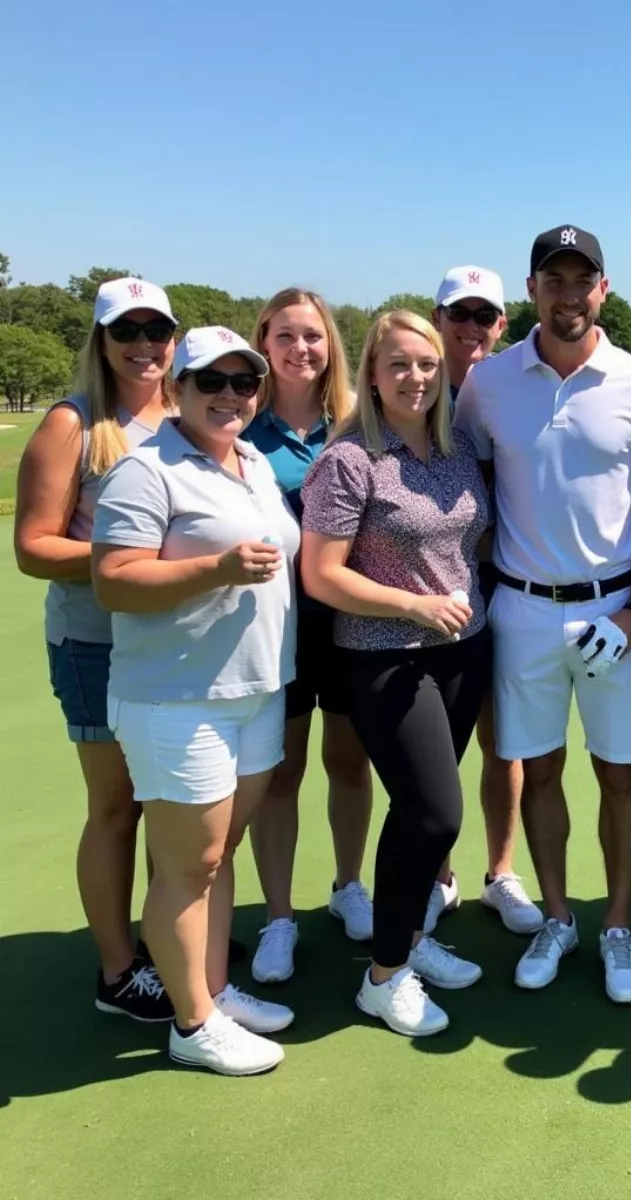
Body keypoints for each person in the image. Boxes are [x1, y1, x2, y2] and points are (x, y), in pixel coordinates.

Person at [454, 224, 631, 1004]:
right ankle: (557, 915)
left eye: (582, 280)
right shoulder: (488, 384)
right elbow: (466, 493)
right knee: (537, 771)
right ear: (532, 290)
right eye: (554, 279)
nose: (568, 293)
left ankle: (616, 923)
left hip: (612, 609)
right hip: (519, 609)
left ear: (603, 291)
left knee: (619, 774)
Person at [92, 326, 299, 1076]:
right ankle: (193, 1024)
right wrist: (215, 568)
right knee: (189, 864)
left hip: (254, 688)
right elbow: (114, 579)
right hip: (179, 698)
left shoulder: (252, 463)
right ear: (176, 387)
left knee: (218, 855)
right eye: (211, 382)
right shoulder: (146, 471)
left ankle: (211, 988)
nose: (229, 396)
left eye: (244, 383)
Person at [301, 310, 491, 1038]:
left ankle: (407, 941)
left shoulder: (456, 445)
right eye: (400, 365)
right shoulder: (349, 460)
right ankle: (382, 979)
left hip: (462, 651)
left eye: (428, 364)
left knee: (417, 816)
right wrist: (414, 605)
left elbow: (474, 539)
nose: (417, 377)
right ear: (373, 374)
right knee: (436, 812)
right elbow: (320, 575)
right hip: (385, 657)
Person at [14, 277, 177, 1022]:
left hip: (173, 644)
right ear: (102, 341)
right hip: (95, 642)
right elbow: (33, 547)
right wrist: (127, 554)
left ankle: (160, 938)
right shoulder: (72, 423)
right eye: (127, 332)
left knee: (167, 801)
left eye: (157, 331)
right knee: (116, 808)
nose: (144, 346)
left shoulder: (186, 413)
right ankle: (117, 971)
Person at [244, 288, 373, 985]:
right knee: (280, 775)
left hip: (350, 625)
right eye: (286, 336)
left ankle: (348, 884)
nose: (301, 349)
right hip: (274, 630)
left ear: (331, 347)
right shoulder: (239, 426)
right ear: (264, 342)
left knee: (348, 764)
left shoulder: (355, 426)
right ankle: (278, 916)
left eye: (314, 337)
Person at [427, 267, 541, 937]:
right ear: (438, 317)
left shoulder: (509, 387)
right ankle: (439, 876)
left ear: (502, 323)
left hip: (508, 583)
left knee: (507, 743)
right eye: (458, 314)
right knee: (437, 745)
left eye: (484, 316)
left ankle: (501, 872)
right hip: (434, 593)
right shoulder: (412, 386)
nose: (471, 328)